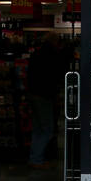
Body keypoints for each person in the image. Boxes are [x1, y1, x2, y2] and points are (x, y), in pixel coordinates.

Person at [26, 33, 63, 168]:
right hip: (44, 95)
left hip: (33, 93)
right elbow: (54, 77)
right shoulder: (53, 55)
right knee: (48, 129)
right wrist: (55, 95)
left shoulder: (36, 54)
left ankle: (34, 157)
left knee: (37, 128)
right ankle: (36, 158)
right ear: (55, 42)